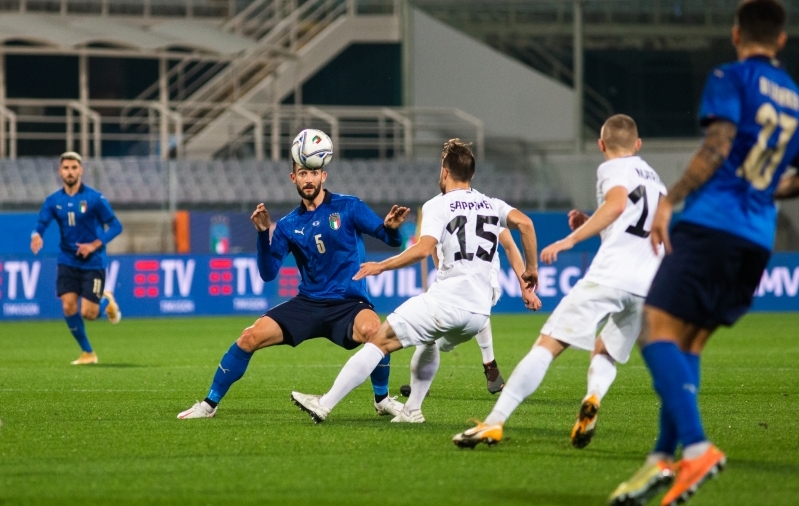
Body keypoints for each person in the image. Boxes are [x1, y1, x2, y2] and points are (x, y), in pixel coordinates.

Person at [608, 2, 799, 505]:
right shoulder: (795, 99)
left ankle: (695, 448)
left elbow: (720, 140)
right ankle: (659, 460)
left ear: (737, 34)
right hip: (756, 238)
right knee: (687, 343)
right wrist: (760, 189)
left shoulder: (730, 76)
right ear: (781, 41)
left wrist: (671, 198)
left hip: (713, 224)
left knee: (654, 330)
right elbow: (790, 176)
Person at [452, 114, 666, 450]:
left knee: (547, 346)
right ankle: (593, 396)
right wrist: (594, 222)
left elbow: (618, 204)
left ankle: (494, 423)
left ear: (601, 144)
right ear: (638, 145)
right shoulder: (656, 180)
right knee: (605, 351)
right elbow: (638, 225)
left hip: (611, 276)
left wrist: (570, 240)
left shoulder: (612, 168)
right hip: (649, 284)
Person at [290, 139, 539, 424]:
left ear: (445, 171)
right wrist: (530, 272)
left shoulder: (438, 205)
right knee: (428, 341)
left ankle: (325, 403)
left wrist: (381, 266)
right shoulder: (493, 205)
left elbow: (422, 249)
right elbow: (527, 225)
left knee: (379, 339)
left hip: (448, 302)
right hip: (479, 315)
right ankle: (412, 410)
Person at [178, 157, 410, 419]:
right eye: (302, 173)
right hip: (308, 303)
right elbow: (268, 273)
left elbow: (389, 238)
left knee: (374, 331)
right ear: (294, 179)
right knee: (249, 337)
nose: (308, 179)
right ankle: (208, 405)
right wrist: (262, 235)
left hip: (348, 303)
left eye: (313, 173)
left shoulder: (349, 206)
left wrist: (391, 228)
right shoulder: (288, 225)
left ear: (323, 176)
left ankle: (382, 399)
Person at [401, 227, 541, 396]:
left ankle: (489, 367)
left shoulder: (459, 207)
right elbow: (433, 247)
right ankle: (489, 367)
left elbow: (511, 242)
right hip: (457, 286)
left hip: (479, 282)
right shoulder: (487, 207)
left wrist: (525, 287)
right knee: (440, 340)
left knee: (431, 327)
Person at [31, 151, 123, 365]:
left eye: (74, 168)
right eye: (66, 168)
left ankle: (106, 302)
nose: (70, 172)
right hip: (67, 260)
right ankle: (88, 353)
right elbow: (41, 223)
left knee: (89, 313)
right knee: (68, 306)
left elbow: (116, 226)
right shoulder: (54, 201)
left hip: (94, 261)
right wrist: (36, 235)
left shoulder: (94, 198)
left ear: (80, 170)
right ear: (60, 171)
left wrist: (94, 244)